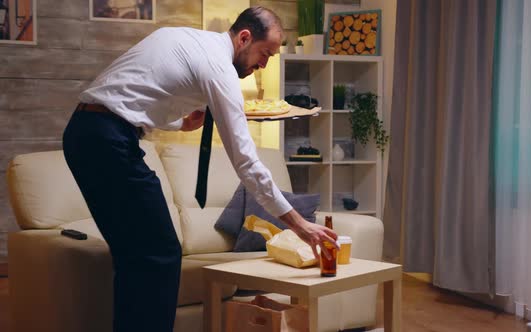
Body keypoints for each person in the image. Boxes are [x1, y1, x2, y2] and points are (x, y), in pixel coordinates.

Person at [62, 6, 338, 332]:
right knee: (161, 252)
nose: (264, 64)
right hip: (108, 142)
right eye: (264, 54)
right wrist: (298, 224)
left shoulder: (184, 39)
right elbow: (246, 162)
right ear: (245, 37)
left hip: (86, 132)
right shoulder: (218, 67)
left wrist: (180, 122)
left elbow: (136, 91)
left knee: (136, 257)